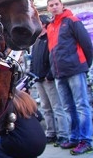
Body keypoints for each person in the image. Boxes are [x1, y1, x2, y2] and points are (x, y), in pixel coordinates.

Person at [46, 0, 93, 155]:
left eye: (56, 4)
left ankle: (85, 141)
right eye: (51, 5)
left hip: (75, 70)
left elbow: (87, 43)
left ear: (62, 5)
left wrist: (85, 65)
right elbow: (52, 52)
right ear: (48, 8)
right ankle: (74, 138)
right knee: (68, 107)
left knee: (82, 105)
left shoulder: (72, 21)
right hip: (59, 73)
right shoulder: (50, 26)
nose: (54, 7)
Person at [30, 14, 70, 146]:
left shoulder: (50, 38)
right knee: (46, 108)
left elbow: (54, 58)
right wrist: (32, 74)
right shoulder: (36, 41)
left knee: (57, 107)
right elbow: (33, 60)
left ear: (44, 24)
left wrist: (50, 75)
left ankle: (63, 134)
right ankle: (51, 133)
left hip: (49, 79)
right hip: (38, 79)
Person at [0, 89, 47, 158]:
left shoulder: (8, 103)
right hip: (41, 143)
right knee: (15, 140)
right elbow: (40, 117)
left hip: (22, 144)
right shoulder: (25, 99)